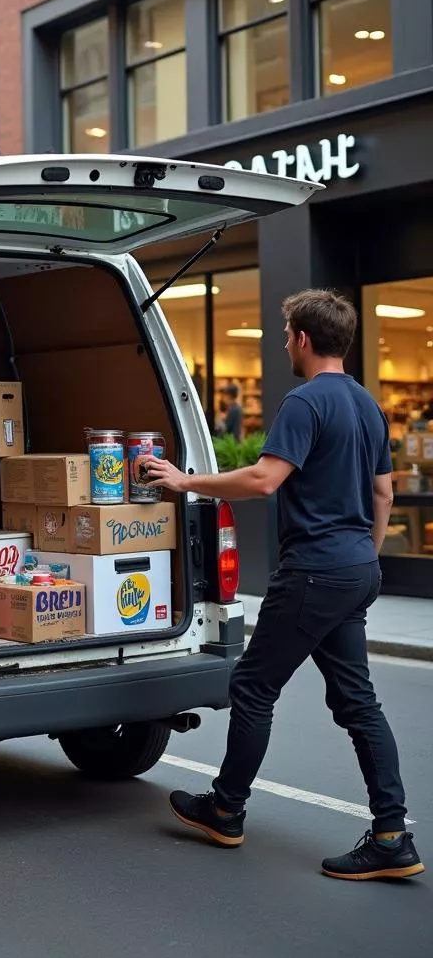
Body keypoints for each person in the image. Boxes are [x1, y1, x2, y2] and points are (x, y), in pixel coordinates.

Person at [142, 289, 422, 881]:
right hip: (354, 569)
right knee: (357, 702)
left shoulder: (304, 402)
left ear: (301, 338)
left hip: (315, 571)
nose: (283, 342)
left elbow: (265, 479)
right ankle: (392, 835)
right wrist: (362, 563)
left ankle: (226, 808)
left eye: (286, 332)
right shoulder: (369, 406)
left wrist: (184, 479)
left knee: (252, 686)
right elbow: (384, 495)